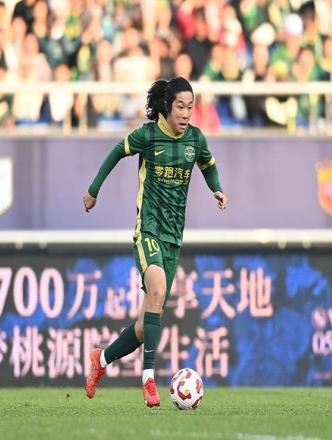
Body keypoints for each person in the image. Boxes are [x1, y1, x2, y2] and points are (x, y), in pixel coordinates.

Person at [82, 76, 228, 407]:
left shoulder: (195, 139)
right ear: (166, 106)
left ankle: (100, 359)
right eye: (180, 107)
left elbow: (208, 164)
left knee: (145, 323)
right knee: (158, 288)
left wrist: (216, 188)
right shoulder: (148, 136)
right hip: (147, 230)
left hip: (174, 238)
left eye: (190, 107)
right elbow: (117, 151)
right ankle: (148, 378)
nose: (186, 113)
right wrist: (93, 190)